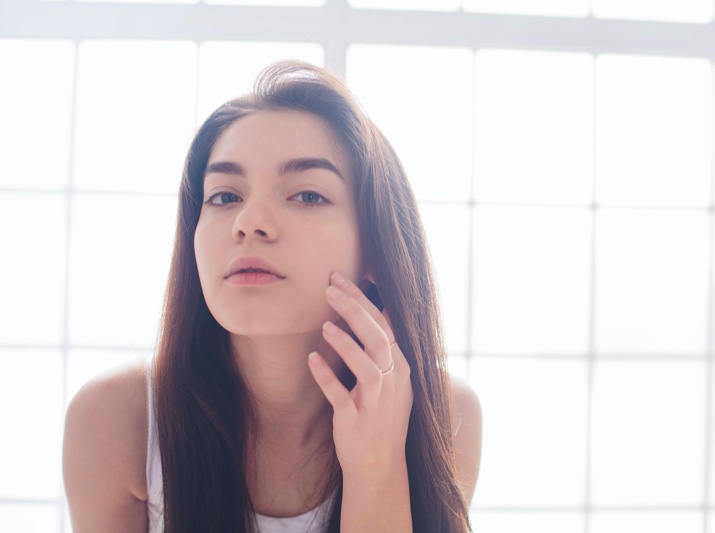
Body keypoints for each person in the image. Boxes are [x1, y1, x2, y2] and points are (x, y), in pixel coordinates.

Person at [63, 60, 482, 533]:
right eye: (224, 196)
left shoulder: (444, 414)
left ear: (375, 247)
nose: (249, 221)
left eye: (306, 195)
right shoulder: (117, 419)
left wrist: (376, 467)